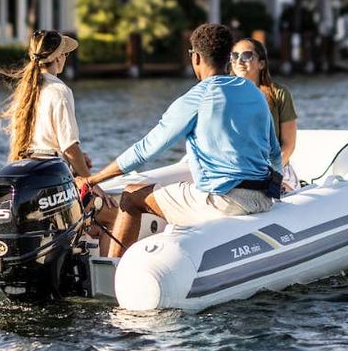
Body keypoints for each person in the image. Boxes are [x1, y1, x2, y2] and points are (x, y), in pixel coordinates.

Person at [87, 22, 282, 259]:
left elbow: (145, 150)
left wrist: (93, 178)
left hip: (223, 203)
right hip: (262, 199)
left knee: (131, 196)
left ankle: (113, 273)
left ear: (196, 57)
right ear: (228, 57)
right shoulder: (254, 91)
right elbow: (274, 151)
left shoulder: (197, 97)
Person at [0, 29, 119, 244]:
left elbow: (50, 144)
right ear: (59, 57)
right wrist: (90, 182)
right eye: (65, 55)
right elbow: (69, 147)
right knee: (116, 217)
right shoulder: (59, 91)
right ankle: (106, 277)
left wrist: (76, 160)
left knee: (92, 227)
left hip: (32, 179)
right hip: (54, 179)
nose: (65, 59)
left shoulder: (25, 91)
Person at [231, 36, 301, 191]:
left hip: (276, 169)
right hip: (239, 171)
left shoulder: (279, 94)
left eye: (247, 56)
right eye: (234, 56)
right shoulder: (225, 96)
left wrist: (269, 173)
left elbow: (288, 145)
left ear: (261, 63)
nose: (239, 61)